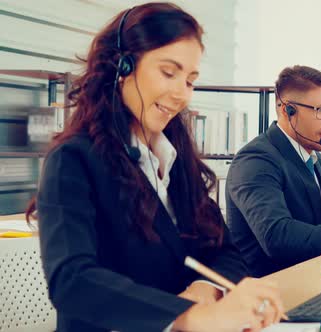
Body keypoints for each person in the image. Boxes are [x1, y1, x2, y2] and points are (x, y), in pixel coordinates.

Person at [25, 3, 283, 331]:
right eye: (168, 72)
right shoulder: (73, 159)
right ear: (122, 66)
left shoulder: (175, 159)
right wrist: (190, 316)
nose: (181, 94)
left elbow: (225, 250)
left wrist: (205, 289)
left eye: (190, 81)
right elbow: (72, 281)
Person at [225, 65, 321, 277]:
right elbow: (278, 236)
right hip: (270, 293)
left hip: (310, 280)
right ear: (287, 110)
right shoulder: (255, 160)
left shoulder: (315, 159)